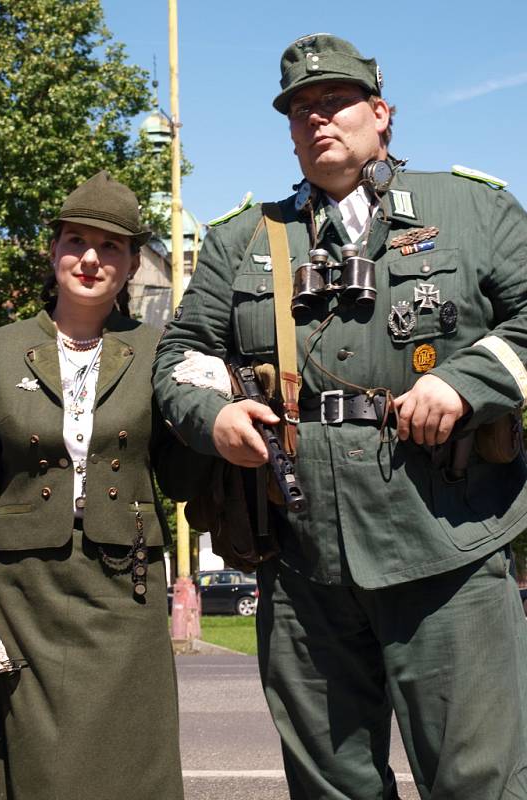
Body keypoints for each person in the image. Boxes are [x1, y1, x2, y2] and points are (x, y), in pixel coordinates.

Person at [153, 34, 527, 800]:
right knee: (332, 787)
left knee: (480, 782)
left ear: (381, 113)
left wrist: (466, 383)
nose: (316, 118)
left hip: (446, 550)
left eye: (335, 102)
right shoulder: (241, 240)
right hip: (301, 559)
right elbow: (181, 355)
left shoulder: (472, 209)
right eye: (300, 109)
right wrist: (213, 416)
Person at [0, 171, 202, 800]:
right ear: (54, 248)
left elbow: (180, 475)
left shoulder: (159, 351)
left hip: (127, 586)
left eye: (111, 246)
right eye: (76, 241)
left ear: (132, 261)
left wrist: (207, 403)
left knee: (133, 763)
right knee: (41, 768)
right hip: (25, 591)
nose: (91, 258)